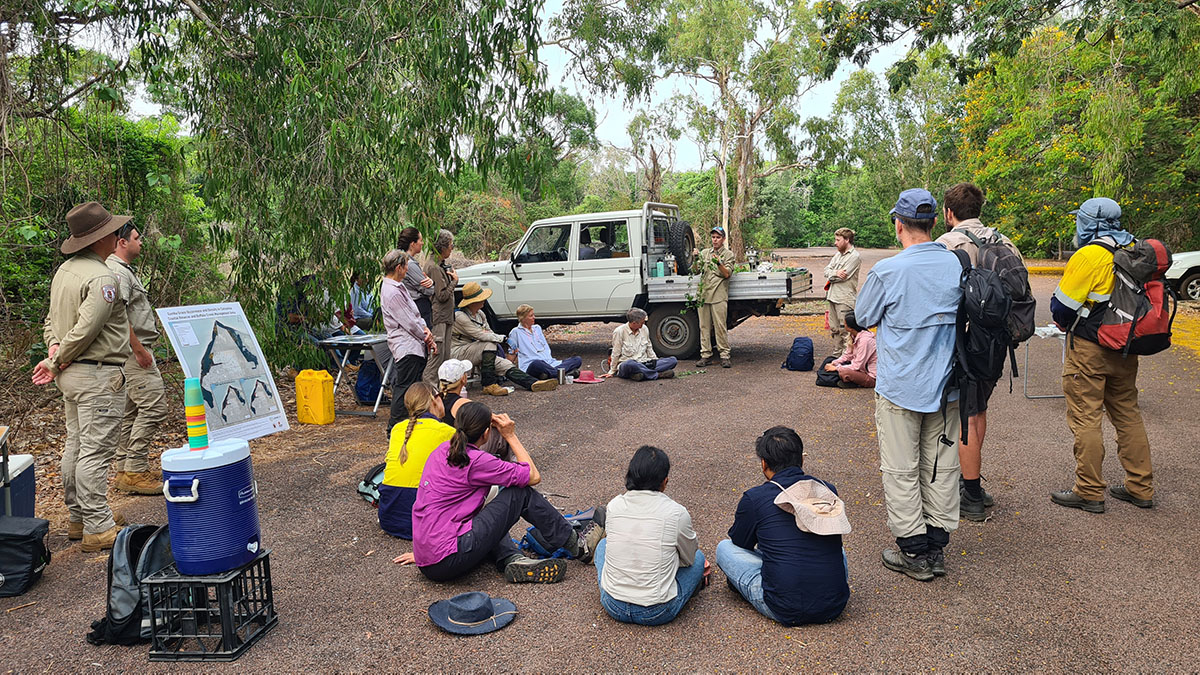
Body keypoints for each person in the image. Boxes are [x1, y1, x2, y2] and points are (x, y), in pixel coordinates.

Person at [855, 188, 963, 582]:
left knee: (901, 468)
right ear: (935, 223)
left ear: (898, 224)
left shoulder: (888, 270)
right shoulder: (957, 264)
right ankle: (936, 547)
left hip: (901, 385)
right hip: (949, 385)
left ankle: (914, 552)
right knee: (941, 466)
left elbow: (863, 315)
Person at [394, 401, 593, 583]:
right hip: (449, 558)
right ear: (487, 433)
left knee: (488, 505)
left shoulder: (441, 451)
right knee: (519, 494)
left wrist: (425, 553)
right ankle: (579, 547)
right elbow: (533, 476)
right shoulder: (477, 460)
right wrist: (510, 435)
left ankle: (511, 558)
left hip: (429, 558)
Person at [32, 202, 133, 552]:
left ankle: (80, 516)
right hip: (96, 374)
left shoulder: (65, 271)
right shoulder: (102, 277)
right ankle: (98, 527)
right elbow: (87, 329)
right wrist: (56, 359)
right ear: (103, 237)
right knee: (95, 451)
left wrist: (54, 350)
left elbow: (51, 322)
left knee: (76, 445)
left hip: (73, 375)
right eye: (113, 231)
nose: (117, 235)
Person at [1049, 197, 1154, 513]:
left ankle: (1089, 490)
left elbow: (1061, 307)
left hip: (1090, 348)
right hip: (1126, 347)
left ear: (1089, 224)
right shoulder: (1137, 249)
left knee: (1086, 415)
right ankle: (1141, 487)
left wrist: (1065, 322)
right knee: (1128, 413)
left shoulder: (1090, 254)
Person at [935, 182, 1022, 520]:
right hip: (996, 342)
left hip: (963, 340)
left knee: (963, 414)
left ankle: (969, 493)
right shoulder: (1004, 241)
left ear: (948, 212)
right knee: (978, 407)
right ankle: (970, 481)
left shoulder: (948, 244)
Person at [716, 427, 850, 626]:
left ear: (763, 464)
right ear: (801, 460)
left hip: (783, 607)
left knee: (724, 548)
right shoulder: (827, 490)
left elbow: (740, 543)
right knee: (836, 549)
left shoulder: (755, 498)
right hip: (834, 605)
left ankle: (747, 583)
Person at [594, 446, 705, 626]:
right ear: (665, 481)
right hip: (656, 611)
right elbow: (689, 558)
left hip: (613, 605)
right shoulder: (676, 513)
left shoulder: (614, 505)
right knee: (699, 558)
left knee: (602, 545)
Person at [105, 222, 169, 496]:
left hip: (130, 353)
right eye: (136, 238)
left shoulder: (123, 271)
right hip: (134, 353)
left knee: (131, 411)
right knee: (155, 407)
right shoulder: (117, 272)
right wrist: (140, 350)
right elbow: (117, 316)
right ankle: (135, 468)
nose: (140, 242)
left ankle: (125, 469)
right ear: (121, 242)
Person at [378, 383, 457, 539]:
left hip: (390, 519)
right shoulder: (447, 432)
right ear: (434, 400)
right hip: (427, 525)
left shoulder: (397, 429)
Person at [451, 282, 557, 396]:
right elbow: (480, 335)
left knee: (505, 364)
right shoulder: (460, 317)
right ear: (473, 302)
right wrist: (504, 338)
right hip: (459, 351)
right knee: (489, 344)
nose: (483, 301)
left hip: (478, 350)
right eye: (481, 299)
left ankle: (533, 383)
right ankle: (488, 384)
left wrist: (490, 336)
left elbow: (489, 332)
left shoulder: (480, 314)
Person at [381, 249, 437, 434]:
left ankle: (409, 423)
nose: (407, 270)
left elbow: (415, 314)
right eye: (406, 266)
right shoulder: (392, 291)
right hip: (406, 346)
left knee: (412, 384)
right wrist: (425, 335)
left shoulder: (399, 286)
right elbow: (408, 321)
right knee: (404, 387)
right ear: (399, 268)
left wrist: (425, 330)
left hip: (415, 343)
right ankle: (394, 427)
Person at [694, 226, 736, 368]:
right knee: (704, 327)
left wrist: (718, 263)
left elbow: (727, 274)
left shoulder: (728, 254)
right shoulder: (705, 253)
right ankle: (706, 355)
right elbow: (696, 270)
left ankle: (724, 355)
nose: (715, 240)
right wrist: (694, 258)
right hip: (703, 295)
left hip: (718, 295)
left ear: (723, 239)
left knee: (720, 327)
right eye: (713, 237)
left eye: (718, 237)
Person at [421, 229, 458, 386]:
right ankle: (429, 391)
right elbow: (441, 296)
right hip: (439, 317)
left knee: (445, 357)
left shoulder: (439, 265)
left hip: (445, 317)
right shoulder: (434, 267)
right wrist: (454, 282)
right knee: (437, 357)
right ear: (442, 247)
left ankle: (440, 391)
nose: (452, 249)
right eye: (450, 245)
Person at [507, 304, 582, 380]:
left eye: (533, 315)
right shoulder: (515, 332)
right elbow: (512, 353)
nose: (534, 317)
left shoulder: (537, 328)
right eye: (531, 316)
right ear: (523, 318)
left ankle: (551, 374)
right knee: (537, 364)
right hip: (532, 365)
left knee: (577, 359)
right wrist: (508, 371)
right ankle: (561, 374)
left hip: (550, 363)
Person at [601, 308, 677, 381]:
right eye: (642, 322)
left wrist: (655, 361)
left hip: (644, 363)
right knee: (630, 364)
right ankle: (657, 375)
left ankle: (641, 375)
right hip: (627, 364)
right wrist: (612, 371)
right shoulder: (619, 331)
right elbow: (616, 352)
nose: (643, 324)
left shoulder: (644, 329)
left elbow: (649, 348)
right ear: (634, 323)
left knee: (673, 360)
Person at [823, 228, 861, 358]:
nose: (835, 243)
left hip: (844, 299)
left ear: (847, 240)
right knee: (834, 329)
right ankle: (836, 356)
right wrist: (834, 272)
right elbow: (826, 271)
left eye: (838, 240)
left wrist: (833, 274)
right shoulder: (838, 255)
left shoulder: (854, 257)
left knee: (846, 331)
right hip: (833, 296)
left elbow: (842, 276)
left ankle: (847, 358)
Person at [824, 311, 876, 388]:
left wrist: (836, 368)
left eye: (844, 323)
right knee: (829, 360)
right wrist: (834, 363)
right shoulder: (853, 335)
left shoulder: (865, 341)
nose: (843, 325)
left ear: (851, 328)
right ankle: (849, 381)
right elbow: (848, 355)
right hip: (860, 369)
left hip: (871, 376)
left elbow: (857, 365)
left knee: (844, 372)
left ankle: (852, 381)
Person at [397, 227, 435, 329]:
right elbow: (429, 290)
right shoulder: (410, 264)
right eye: (420, 240)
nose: (422, 243)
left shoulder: (402, 260)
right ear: (412, 244)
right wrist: (431, 284)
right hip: (419, 306)